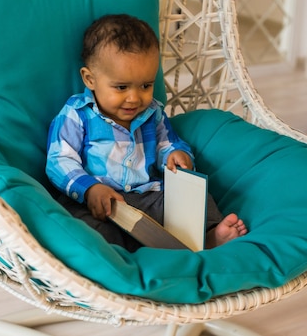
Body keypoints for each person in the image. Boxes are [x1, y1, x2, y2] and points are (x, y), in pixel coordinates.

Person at [46, 14, 247, 251]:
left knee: (197, 200)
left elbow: (167, 144)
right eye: (121, 87)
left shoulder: (152, 113)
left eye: (145, 86)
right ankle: (126, 255)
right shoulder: (77, 113)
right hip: (102, 202)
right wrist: (89, 188)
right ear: (90, 79)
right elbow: (59, 160)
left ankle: (209, 237)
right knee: (84, 227)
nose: (134, 98)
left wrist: (178, 155)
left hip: (149, 197)